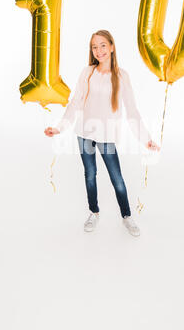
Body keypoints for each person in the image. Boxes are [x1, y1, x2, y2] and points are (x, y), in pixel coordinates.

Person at [44, 30, 160, 236]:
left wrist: (146, 139)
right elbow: (75, 102)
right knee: (90, 174)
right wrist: (59, 127)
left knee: (117, 178)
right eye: (94, 47)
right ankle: (94, 212)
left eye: (103, 45)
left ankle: (127, 216)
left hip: (106, 136)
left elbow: (132, 110)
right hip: (84, 133)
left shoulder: (122, 76)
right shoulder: (87, 72)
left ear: (112, 47)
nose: (99, 51)